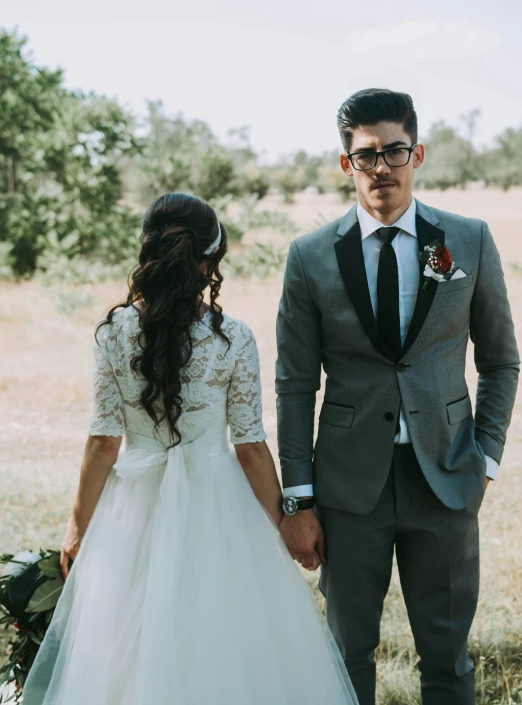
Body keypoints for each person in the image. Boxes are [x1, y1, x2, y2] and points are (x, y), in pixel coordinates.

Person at [22, 192, 358, 705]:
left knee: (127, 640)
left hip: (131, 507)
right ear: (209, 261)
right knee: (221, 638)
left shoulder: (114, 333)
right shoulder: (234, 339)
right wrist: (283, 522)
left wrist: (78, 528)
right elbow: (249, 448)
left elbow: (104, 442)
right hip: (216, 507)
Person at [276, 88, 520, 705]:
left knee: (446, 658)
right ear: (345, 164)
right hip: (348, 488)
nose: (381, 167)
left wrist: (485, 458)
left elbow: (500, 361)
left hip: (445, 478)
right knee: (347, 656)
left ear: (418, 155)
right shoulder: (309, 258)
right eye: (366, 156)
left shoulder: (466, 241)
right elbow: (295, 383)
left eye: (394, 151)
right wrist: (297, 498)